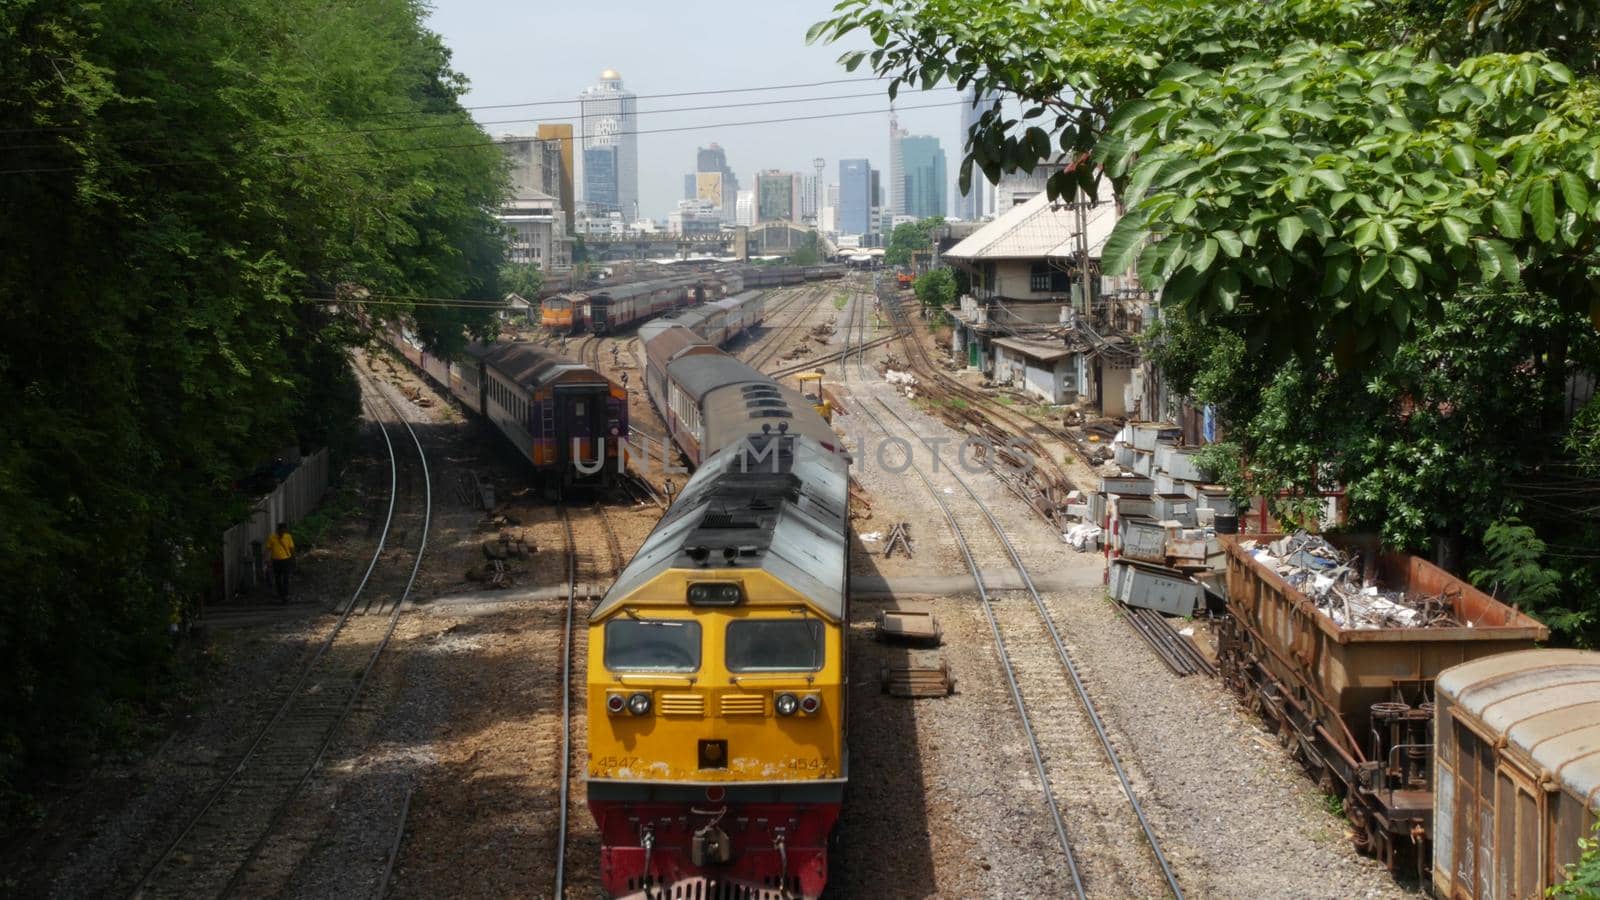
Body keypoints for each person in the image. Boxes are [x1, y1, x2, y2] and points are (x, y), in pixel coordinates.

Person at [266, 521, 295, 603]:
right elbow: (268, 550)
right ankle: (280, 593)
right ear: (278, 530)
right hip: (276, 560)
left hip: (286, 560)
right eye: (281, 530)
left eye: (284, 530)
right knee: (277, 578)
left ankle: (285, 595)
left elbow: (292, 548)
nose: (282, 532)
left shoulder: (288, 537)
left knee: (286, 578)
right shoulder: (272, 538)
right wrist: (268, 560)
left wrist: (293, 559)